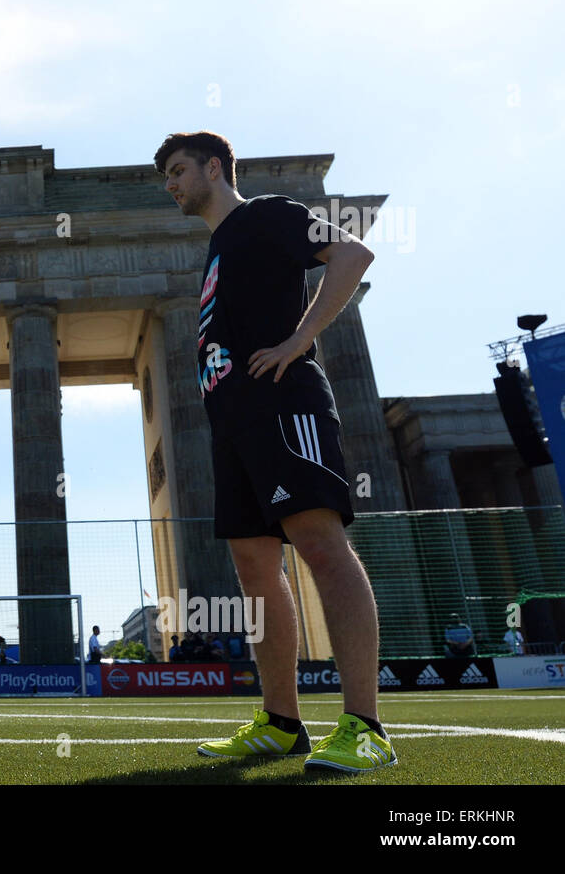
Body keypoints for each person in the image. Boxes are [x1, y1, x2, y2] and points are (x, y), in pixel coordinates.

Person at [156, 131, 394, 773]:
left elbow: (352, 254)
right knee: (255, 570)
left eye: (179, 171)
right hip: (232, 423)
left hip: (284, 403)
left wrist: (299, 340)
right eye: (167, 177)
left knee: (320, 544)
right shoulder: (216, 250)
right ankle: (282, 723)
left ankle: (365, 726)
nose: (172, 184)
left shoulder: (265, 214)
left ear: (215, 167)